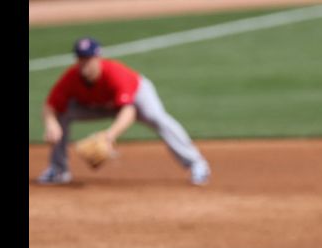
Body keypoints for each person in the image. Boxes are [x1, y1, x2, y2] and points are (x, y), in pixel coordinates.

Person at [37, 37, 211, 186]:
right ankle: (58, 170)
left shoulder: (114, 74)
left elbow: (129, 111)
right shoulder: (71, 77)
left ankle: (197, 164)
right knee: (61, 114)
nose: (84, 64)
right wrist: (51, 124)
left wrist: (109, 136)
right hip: (100, 105)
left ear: (98, 58)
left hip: (137, 97)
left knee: (157, 118)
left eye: (88, 58)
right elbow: (50, 105)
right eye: (81, 58)